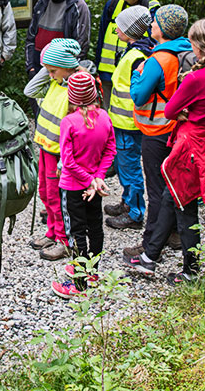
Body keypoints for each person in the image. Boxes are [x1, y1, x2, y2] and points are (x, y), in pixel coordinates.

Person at [125, 19, 205, 284]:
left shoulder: (197, 78)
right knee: (170, 196)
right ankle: (150, 257)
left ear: (199, 45)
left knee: (185, 207)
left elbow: (171, 110)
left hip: (190, 147)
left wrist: (187, 113)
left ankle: (191, 271)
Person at [125, 5, 191, 260]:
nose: (151, 25)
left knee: (156, 188)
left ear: (163, 29)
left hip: (157, 130)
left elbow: (139, 96)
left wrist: (136, 76)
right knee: (172, 185)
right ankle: (173, 234)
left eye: (155, 22)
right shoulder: (186, 52)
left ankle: (151, 243)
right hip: (178, 128)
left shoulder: (158, 59)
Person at [52, 71, 116, 299]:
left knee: (75, 233)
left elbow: (67, 161)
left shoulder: (69, 122)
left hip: (72, 187)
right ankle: (92, 273)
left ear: (71, 97)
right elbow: (110, 151)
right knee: (95, 227)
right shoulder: (105, 118)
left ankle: (78, 286)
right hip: (94, 187)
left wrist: (88, 180)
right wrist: (96, 179)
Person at [24, 38, 86, 261]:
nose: (49, 74)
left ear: (67, 66)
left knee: (59, 197)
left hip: (61, 155)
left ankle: (63, 239)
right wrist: (48, 67)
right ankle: (52, 231)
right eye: (48, 71)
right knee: (46, 192)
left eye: (52, 70)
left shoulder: (77, 88)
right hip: (45, 147)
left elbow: (79, 129)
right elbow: (29, 90)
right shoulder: (55, 81)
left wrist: (64, 161)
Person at [104, 6, 155, 230]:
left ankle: (135, 213)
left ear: (130, 30)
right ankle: (127, 202)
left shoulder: (137, 56)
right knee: (125, 166)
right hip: (123, 122)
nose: (117, 30)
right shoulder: (134, 50)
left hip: (128, 124)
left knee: (130, 168)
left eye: (121, 26)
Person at [95, 0, 160, 108]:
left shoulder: (150, 8)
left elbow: (156, 38)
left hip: (133, 71)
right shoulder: (113, 4)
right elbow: (101, 36)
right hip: (107, 69)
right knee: (107, 107)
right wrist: (97, 66)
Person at [24, 0, 91, 83]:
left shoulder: (77, 6)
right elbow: (31, 37)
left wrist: (68, 73)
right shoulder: (41, 3)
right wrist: (31, 67)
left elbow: (81, 44)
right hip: (38, 69)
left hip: (62, 73)